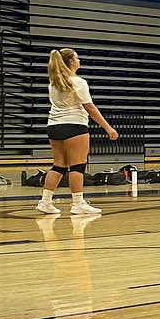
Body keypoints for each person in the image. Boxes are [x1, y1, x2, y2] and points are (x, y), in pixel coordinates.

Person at [37, 48, 118, 216]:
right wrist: (107, 127)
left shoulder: (53, 82)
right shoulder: (78, 82)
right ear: (71, 62)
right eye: (77, 58)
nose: (79, 60)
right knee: (78, 165)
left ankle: (45, 201)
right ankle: (78, 203)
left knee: (58, 165)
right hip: (74, 126)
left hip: (54, 127)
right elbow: (90, 107)